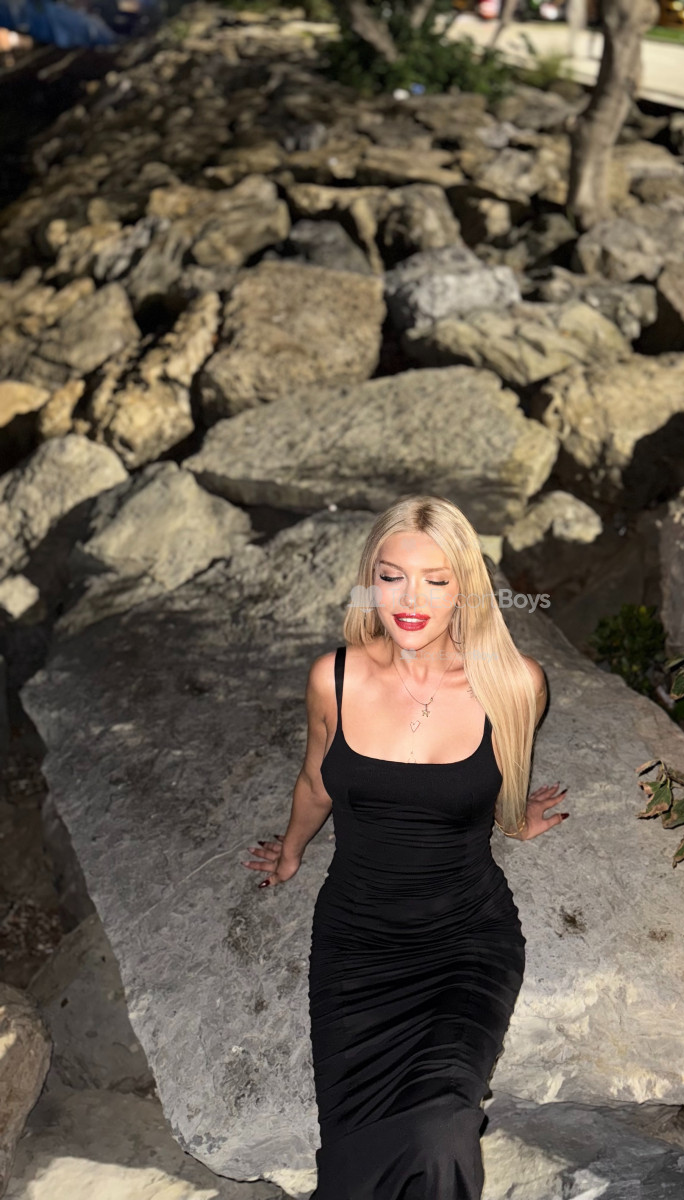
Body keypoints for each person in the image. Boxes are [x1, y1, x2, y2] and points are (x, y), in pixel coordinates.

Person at [242, 493, 568, 1199]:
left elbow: (505, 774)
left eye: (435, 580)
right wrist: (292, 851)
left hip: (464, 940)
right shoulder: (334, 677)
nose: (410, 599)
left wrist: (514, 820)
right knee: (355, 1159)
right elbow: (316, 779)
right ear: (370, 581)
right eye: (391, 577)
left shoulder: (514, 683)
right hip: (356, 947)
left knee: (440, 1134)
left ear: (466, 588)